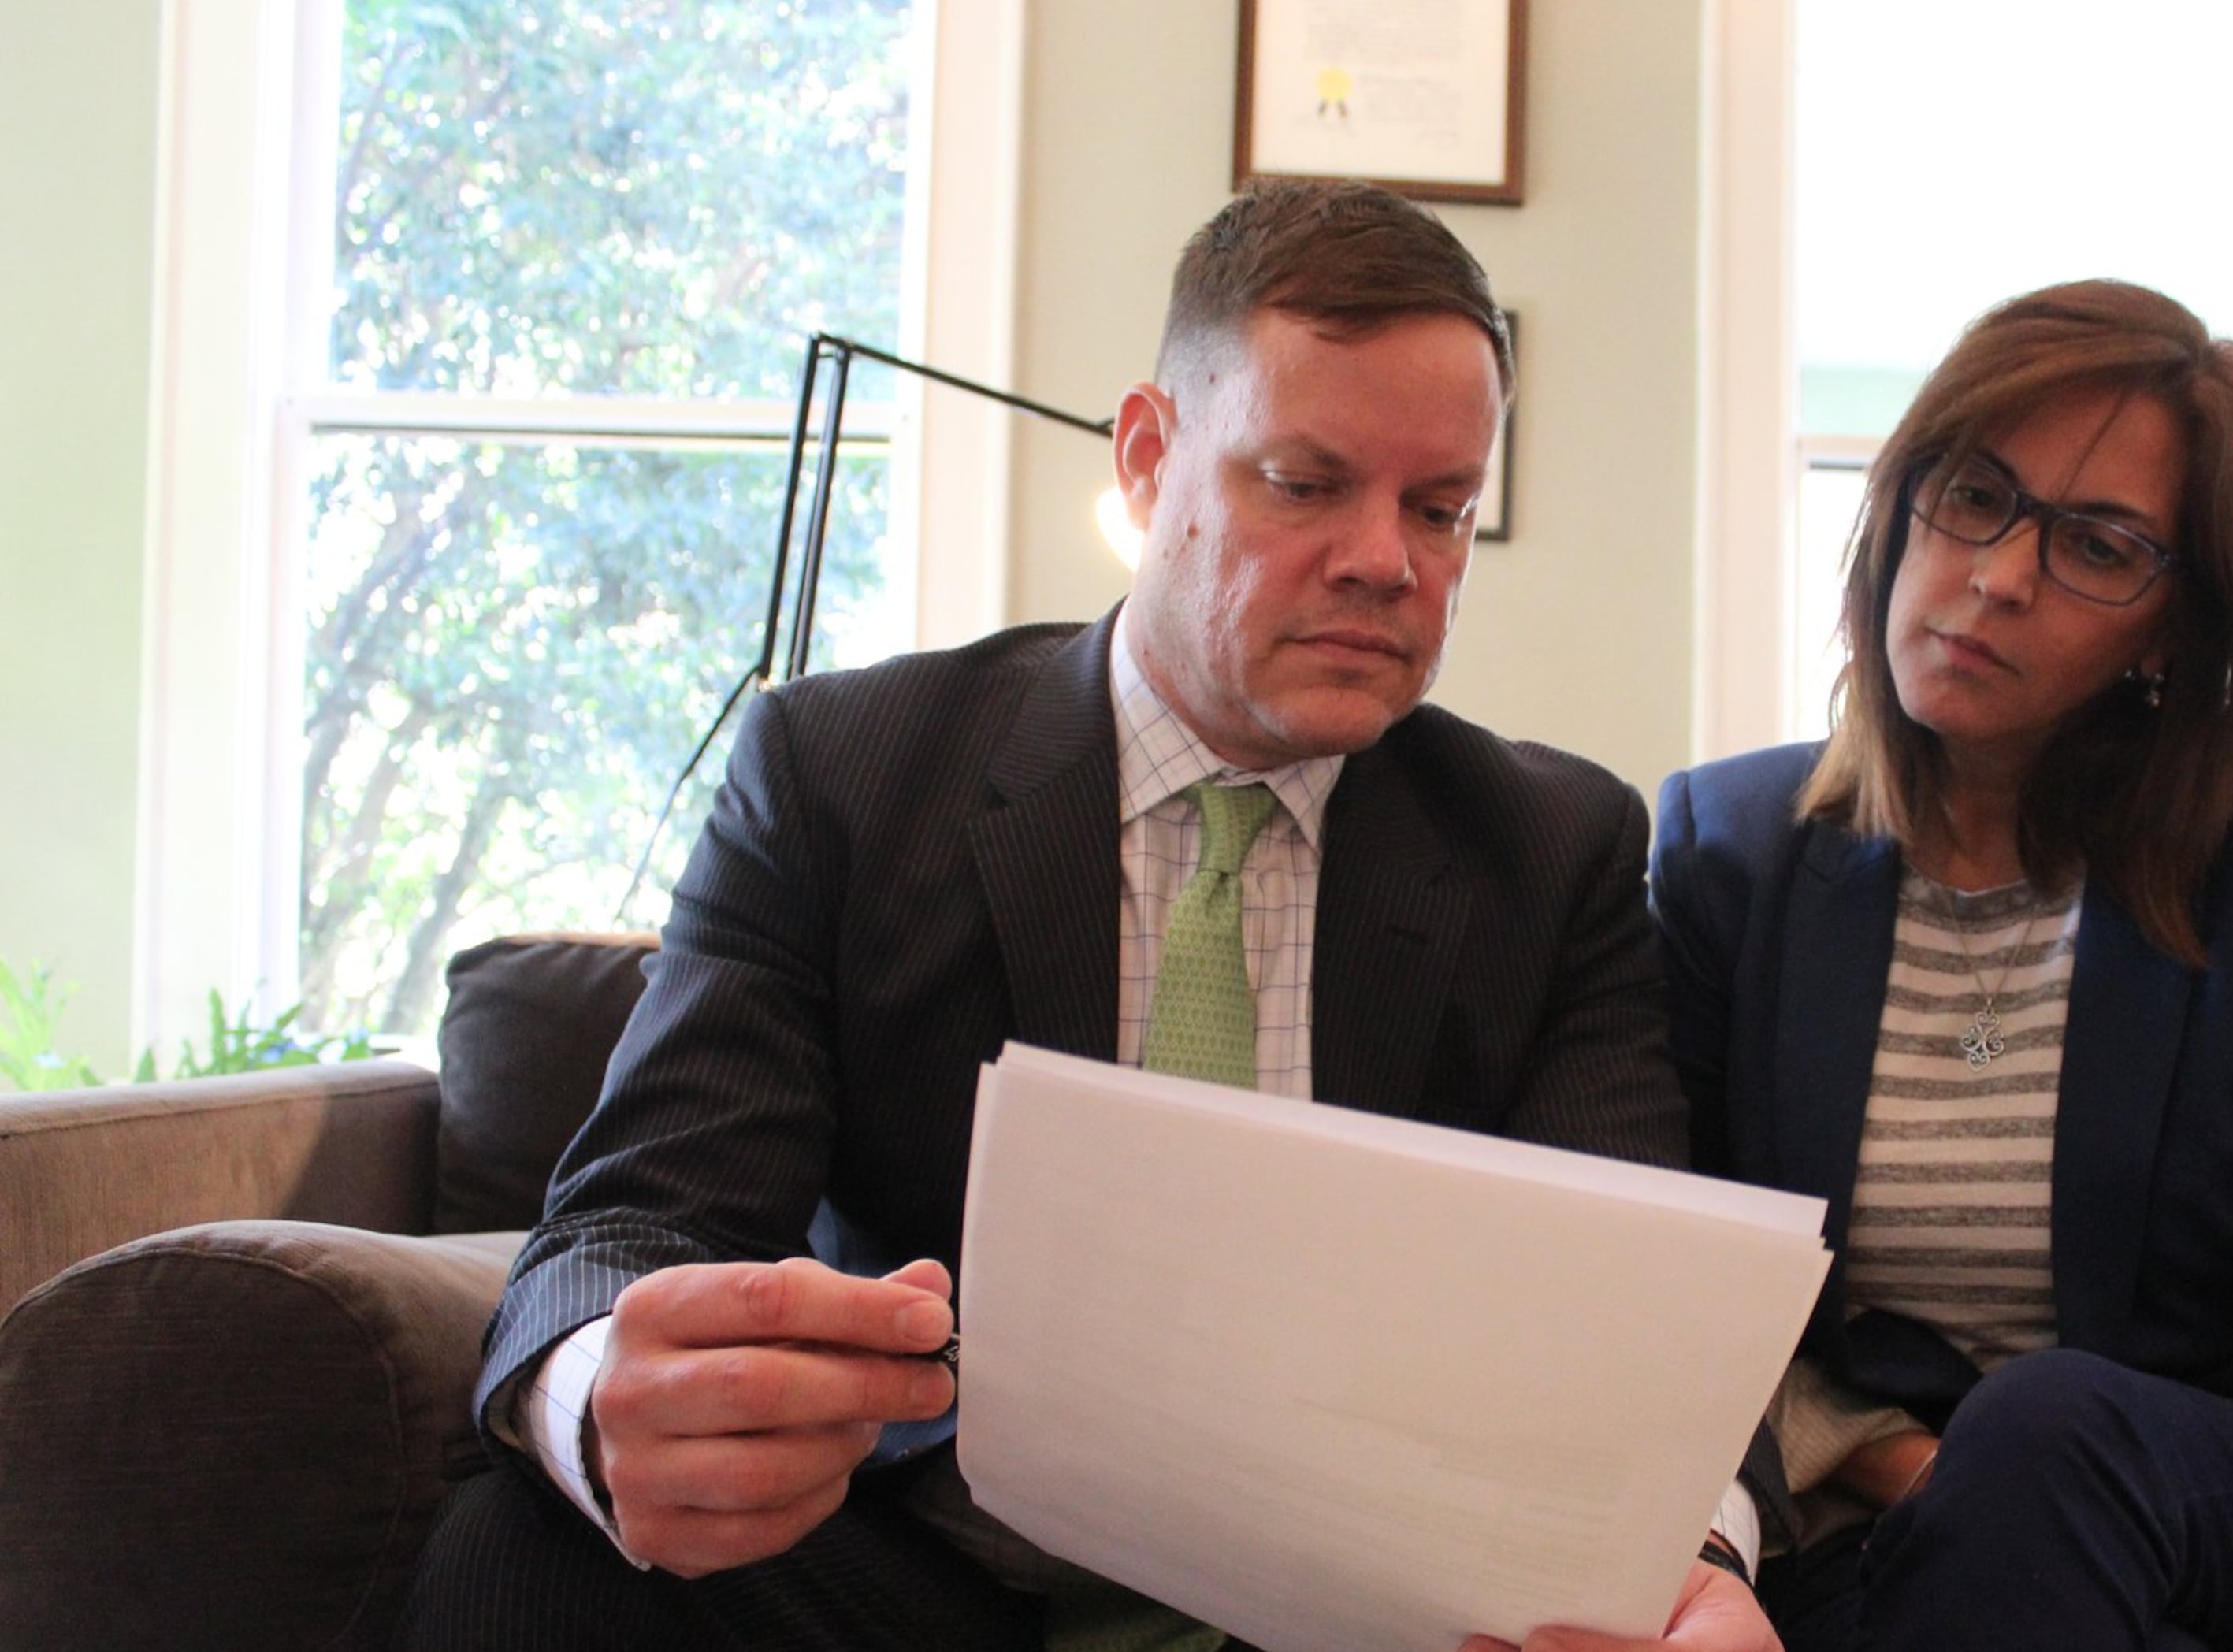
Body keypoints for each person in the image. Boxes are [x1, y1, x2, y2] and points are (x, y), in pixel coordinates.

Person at [399, 180, 1782, 1652]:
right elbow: (639, 1215)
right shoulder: (846, 773)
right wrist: (602, 1395)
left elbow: (1649, 1324)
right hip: (936, 1580)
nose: (1387, 560)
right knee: (528, 1554)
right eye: (1305, 484)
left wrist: (1698, 1568)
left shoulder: (1549, 849)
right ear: (1147, 460)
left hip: (1366, 1610)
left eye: (1439, 510)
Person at [1650, 281, 2233, 1650]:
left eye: (2098, 546)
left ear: (2172, 628)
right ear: (1900, 504)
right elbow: (1676, 1287)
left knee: (2049, 1427)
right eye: (1974, 496)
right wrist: (1895, 1462)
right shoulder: (1730, 850)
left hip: (2208, 1491)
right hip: (1878, 1520)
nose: (2000, 575)